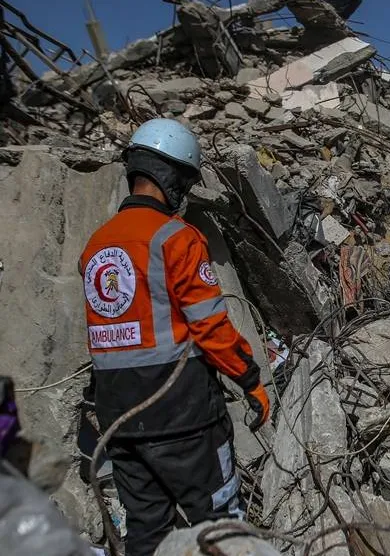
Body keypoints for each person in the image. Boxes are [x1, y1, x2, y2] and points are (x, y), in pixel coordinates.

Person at [80, 118, 269, 555]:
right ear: (173, 177)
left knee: (147, 533)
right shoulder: (177, 238)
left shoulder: (96, 245)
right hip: (182, 417)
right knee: (221, 526)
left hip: (119, 418)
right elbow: (211, 328)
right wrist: (250, 380)